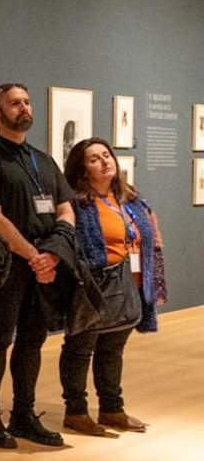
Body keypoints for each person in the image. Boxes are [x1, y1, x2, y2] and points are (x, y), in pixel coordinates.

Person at [0, 84, 75, 449]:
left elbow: (66, 209)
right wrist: (32, 255)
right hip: (8, 266)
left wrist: (54, 252)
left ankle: (24, 415)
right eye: (14, 103)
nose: (23, 107)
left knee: (33, 339)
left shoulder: (43, 160)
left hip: (45, 264)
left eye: (26, 102)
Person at [57, 138, 161, 437]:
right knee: (80, 349)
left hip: (128, 283)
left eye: (106, 155)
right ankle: (75, 411)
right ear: (82, 169)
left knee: (113, 349)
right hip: (93, 285)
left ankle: (112, 408)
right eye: (94, 159)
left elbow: (148, 240)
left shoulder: (130, 199)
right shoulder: (77, 203)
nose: (105, 161)